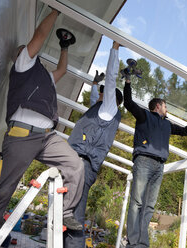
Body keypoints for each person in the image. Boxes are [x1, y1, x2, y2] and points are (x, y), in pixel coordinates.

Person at [0, 8, 85, 248]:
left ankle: (65, 212)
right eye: (26, 48)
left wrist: (65, 46)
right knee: (5, 187)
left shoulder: (45, 77)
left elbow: (62, 71)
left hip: (47, 137)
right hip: (21, 135)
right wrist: (56, 10)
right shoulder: (23, 64)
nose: (29, 49)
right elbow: (40, 36)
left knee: (75, 164)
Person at [123, 75, 187, 247]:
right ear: (158, 106)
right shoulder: (144, 116)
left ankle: (142, 242)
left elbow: (185, 132)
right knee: (137, 202)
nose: (167, 109)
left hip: (159, 166)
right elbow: (128, 102)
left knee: (149, 205)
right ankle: (133, 241)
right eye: (165, 106)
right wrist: (128, 80)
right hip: (143, 161)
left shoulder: (167, 124)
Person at [64, 41, 124, 247]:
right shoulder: (99, 111)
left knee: (75, 218)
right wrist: (93, 83)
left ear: (110, 99)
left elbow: (111, 83)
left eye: (103, 94)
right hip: (76, 161)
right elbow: (93, 98)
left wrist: (114, 49)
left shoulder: (109, 109)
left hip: (84, 164)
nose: (99, 95)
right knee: (67, 214)